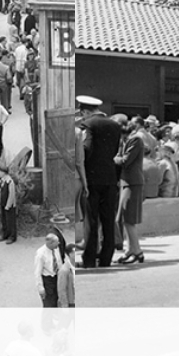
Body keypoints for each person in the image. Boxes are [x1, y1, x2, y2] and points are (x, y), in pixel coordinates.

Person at [77, 96, 122, 268]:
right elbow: (115, 150)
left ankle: (89, 259)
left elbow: (86, 148)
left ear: (85, 112)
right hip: (109, 177)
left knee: (91, 220)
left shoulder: (88, 125)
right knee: (108, 219)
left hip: (92, 178)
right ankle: (106, 258)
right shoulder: (115, 125)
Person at [114, 116, 146, 264]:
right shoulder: (125, 140)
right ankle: (131, 249)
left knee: (129, 219)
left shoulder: (135, 140)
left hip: (132, 182)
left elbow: (125, 160)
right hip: (126, 182)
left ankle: (137, 251)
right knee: (124, 219)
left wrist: (114, 158)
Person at [35, 232, 62, 307]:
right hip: (48, 280)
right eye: (57, 242)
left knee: (57, 302)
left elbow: (59, 263)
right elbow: (37, 272)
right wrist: (40, 288)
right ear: (51, 243)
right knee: (49, 305)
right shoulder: (41, 254)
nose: (59, 243)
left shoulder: (56, 249)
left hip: (57, 278)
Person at [0, 165, 18, 244]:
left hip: (9, 205)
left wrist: (8, 205)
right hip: (3, 203)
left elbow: (11, 195)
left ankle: (12, 236)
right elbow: (0, 192)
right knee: (4, 220)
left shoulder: (10, 181)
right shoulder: (2, 180)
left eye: (0, 172)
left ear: (4, 173)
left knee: (10, 221)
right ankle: (5, 234)